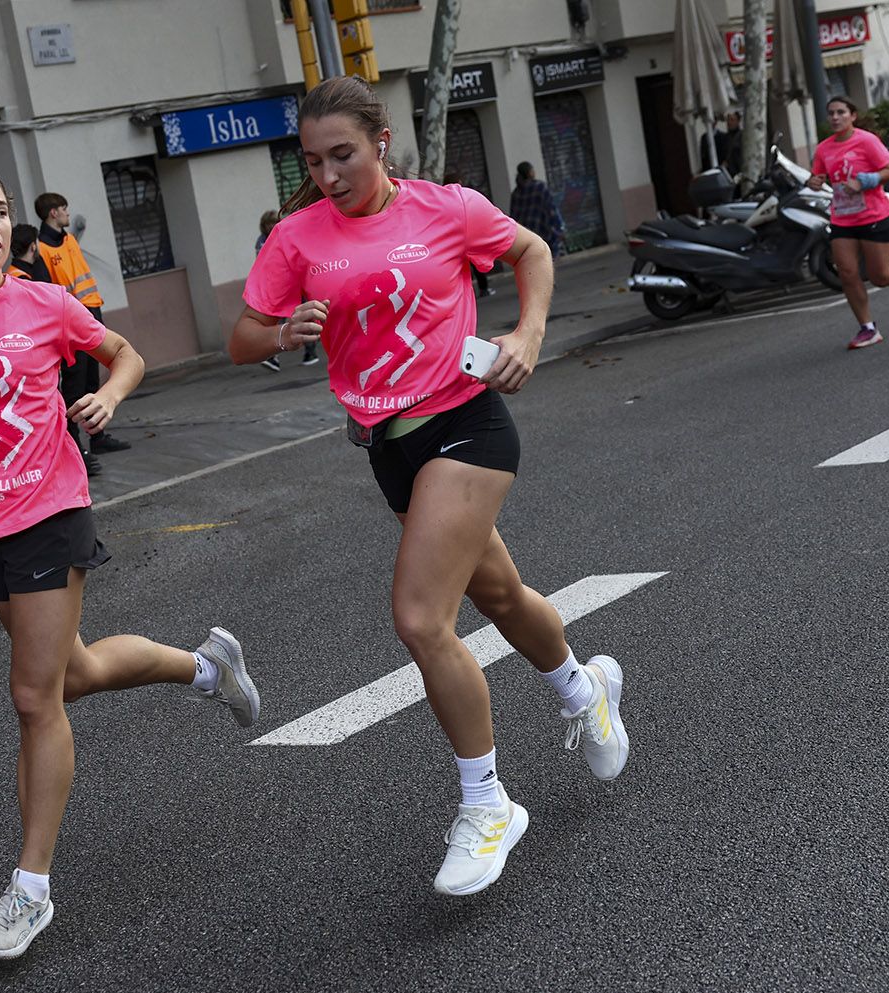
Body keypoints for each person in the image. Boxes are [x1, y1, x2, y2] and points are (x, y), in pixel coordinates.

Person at [0, 143, 261, 959]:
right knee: (74, 671)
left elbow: (124, 353)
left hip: (50, 511)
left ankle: (29, 889)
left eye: (2, 212)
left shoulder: (43, 304)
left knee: (36, 699)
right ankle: (207, 668)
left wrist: (107, 394)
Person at [230, 77, 629, 897]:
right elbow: (243, 337)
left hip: (467, 425)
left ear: (380, 141)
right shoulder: (299, 237)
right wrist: (279, 331)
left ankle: (488, 806)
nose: (329, 173)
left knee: (420, 617)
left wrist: (528, 330)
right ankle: (585, 690)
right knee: (505, 597)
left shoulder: (446, 208)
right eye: (312, 160)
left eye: (343, 154)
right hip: (388, 447)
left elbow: (532, 252)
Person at [808, 96, 889, 349]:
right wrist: (813, 182)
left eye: (841, 112)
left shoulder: (866, 141)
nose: (835, 117)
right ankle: (868, 328)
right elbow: (819, 176)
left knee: (878, 276)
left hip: (873, 215)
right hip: (842, 217)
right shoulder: (824, 148)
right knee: (846, 272)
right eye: (831, 113)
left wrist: (863, 182)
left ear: (852, 116)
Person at [34, 192, 129, 466]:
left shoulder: (69, 240)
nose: (67, 213)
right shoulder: (42, 249)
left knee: (91, 382)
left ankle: (97, 437)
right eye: (64, 208)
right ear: (53, 213)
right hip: (70, 323)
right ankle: (74, 446)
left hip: (91, 314)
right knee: (74, 386)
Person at [254, 209, 319, 370]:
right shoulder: (262, 241)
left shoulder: (286, 234)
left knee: (304, 315)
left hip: (297, 281)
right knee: (276, 318)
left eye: (273, 222)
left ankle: (310, 352)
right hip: (279, 285)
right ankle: (272, 356)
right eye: (268, 224)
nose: (271, 226)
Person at [443, 171, 494, 298]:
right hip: (466, 236)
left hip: (451, 239)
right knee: (475, 264)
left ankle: (462, 294)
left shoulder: (442, 200)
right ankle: (483, 288)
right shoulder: (463, 198)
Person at [508, 161, 566, 257]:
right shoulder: (540, 187)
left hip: (526, 238)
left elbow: (514, 217)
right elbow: (551, 210)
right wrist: (559, 229)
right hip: (543, 233)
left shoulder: (516, 193)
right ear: (530, 173)